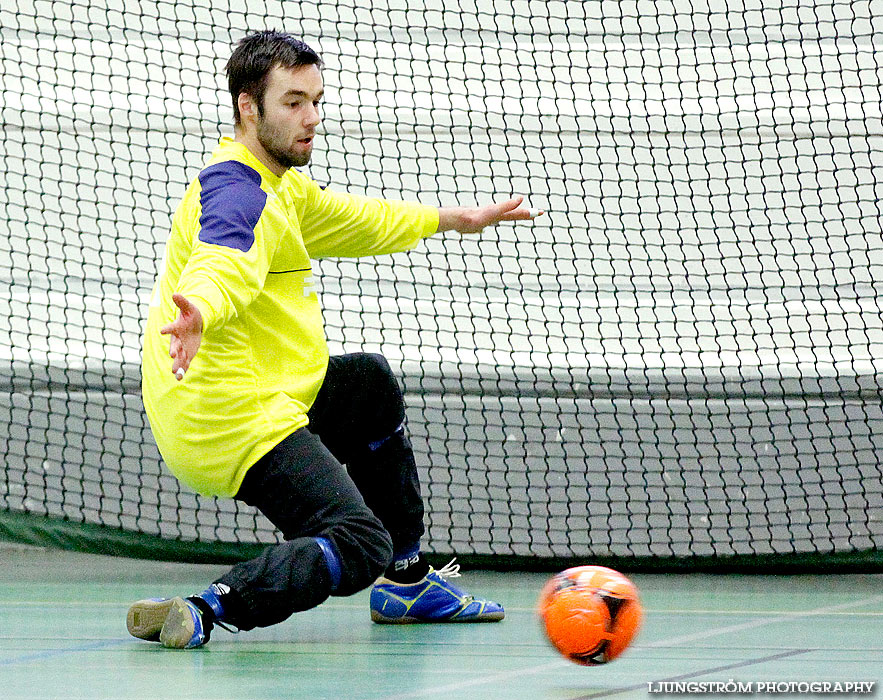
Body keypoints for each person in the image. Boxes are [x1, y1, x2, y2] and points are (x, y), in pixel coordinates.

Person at [127, 29, 542, 649]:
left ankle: (406, 583)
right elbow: (223, 262)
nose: (311, 118)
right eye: (293, 102)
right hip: (228, 413)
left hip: (260, 391)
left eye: (316, 101)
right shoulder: (237, 192)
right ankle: (211, 605)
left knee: (367, 384)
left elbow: (352, 218)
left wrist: (450, 220)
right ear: (248, 107)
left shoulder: (280, 184)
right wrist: (202, 312)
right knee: (357, 541)